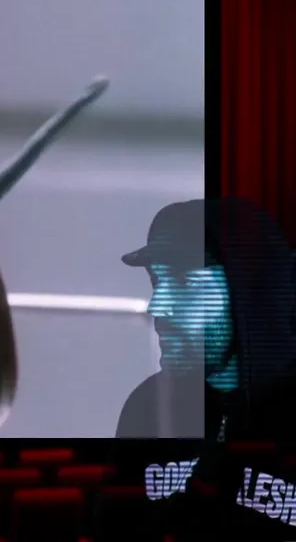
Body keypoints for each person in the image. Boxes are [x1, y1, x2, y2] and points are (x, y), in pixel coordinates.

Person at [102, 198, 296, 540]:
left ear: (248, 291)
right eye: (156, 280)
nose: (156, 306)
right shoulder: (148, 407)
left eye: (184, 282)